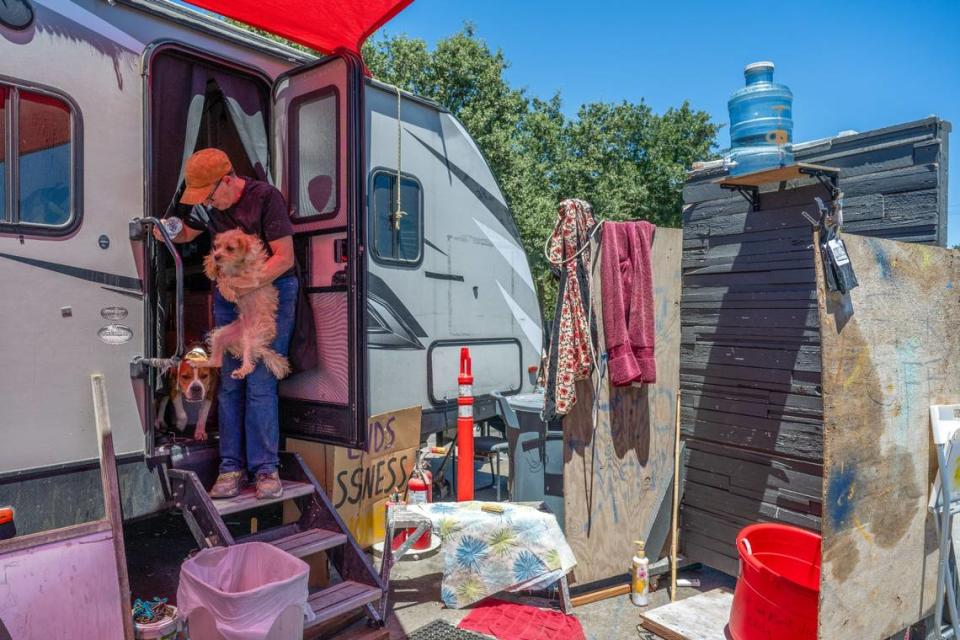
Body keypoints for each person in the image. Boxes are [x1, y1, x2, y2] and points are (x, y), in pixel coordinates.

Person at [156, 148, 297, 500]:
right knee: (230, 385)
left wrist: (245, 286)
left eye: (208, 195)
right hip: (228, 292)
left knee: (259, 383)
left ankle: (266, 470)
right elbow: (189, 231)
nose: (205, 203)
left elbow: (285, 258)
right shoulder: (209, 205)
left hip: (269, 292)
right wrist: (166, 231)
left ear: (228, 180)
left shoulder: (265, 197)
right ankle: (231, 468)